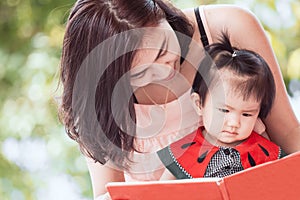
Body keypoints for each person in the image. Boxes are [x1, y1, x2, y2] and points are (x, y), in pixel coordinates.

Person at [58, 0, 300, 199]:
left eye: (164, 47)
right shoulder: (96, 102)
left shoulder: (226, 28)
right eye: (144, 73)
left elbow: (289, 135)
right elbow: (108, 194)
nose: (165, 70)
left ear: (162, 15)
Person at [157, 33, 286, 180]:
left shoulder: (265, 152)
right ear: (199, 104)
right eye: (224, 110)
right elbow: (160, 191)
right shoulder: (182, 153)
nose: (234, 123)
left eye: (247, 114)